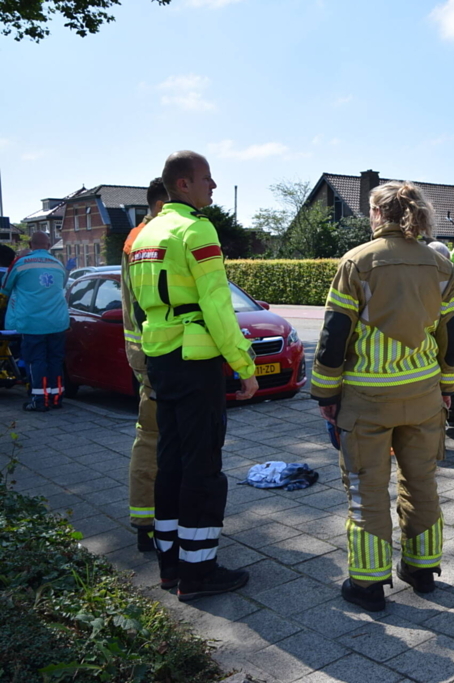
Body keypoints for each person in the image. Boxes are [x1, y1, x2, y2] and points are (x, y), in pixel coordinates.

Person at [311, 181, 454, 612]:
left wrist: (325, 391)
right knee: (422, 483)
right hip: (423, 397)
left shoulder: (356, 262)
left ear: (378, 214)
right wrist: (447, 386)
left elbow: (334, 336)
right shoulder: (440, 265)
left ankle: (368, 584)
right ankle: (422, 569)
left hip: (367, 401)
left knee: (367, 490)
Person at [127, 150, 258, 601]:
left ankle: (170, 567)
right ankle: (199, 574)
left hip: (160, 357)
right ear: (183, 184)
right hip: (195, 358)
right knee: (202, 468)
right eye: (206, 178)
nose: (214, 185)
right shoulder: (196, 229)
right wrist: (244, 365)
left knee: (172, 463)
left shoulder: (147, 232)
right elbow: (218, 305)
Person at [122, 177, 169, 553]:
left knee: (151, 437)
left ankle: (149, 521)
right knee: (156, 439)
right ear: (159, 205)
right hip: (159, 355)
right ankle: (152, 523)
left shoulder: (135, 239)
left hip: (146, 353)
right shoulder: (152, 238)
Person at [0, 232, 68, 411]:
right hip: (58, 321)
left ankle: (39, 401)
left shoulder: (21, 263)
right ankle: (56, 398)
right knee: (55, 360)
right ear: (48, 245)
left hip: (33, 323)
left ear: (30, 244)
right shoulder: (59, 264)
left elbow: (4, 289)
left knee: (35, 361)